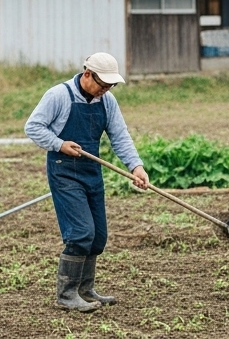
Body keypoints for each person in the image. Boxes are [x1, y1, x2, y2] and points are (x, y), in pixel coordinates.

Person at [25, 52, 149, 312]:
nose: (105, 91)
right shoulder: (59, 95)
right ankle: (67, 294)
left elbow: (120, 136)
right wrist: (59, 144)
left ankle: (85, 289)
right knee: (80, 233)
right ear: (87, 74)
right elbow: (33, 127)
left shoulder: (107, 101)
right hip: (64, 172)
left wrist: (136, 167)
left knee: (98, 237)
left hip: (92, 172)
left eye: (110, 86)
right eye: (102, 85)